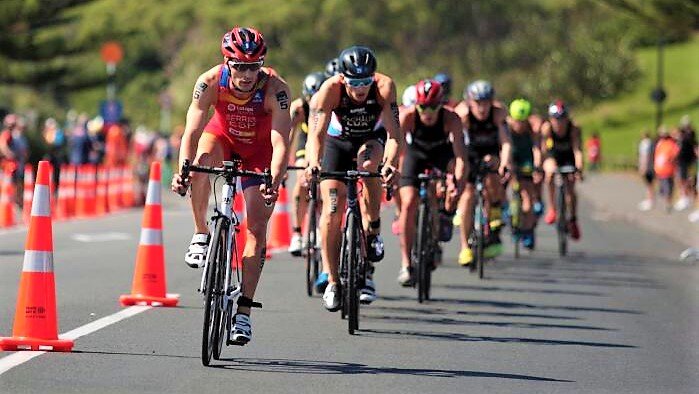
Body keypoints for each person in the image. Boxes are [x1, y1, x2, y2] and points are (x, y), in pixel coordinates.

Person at [171, 26, 291, 345]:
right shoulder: (209, 81)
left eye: (254, 65)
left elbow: (281, 143)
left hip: (259, 151)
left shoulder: (275, 89)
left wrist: (274, 179)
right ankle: (201, 233)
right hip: (222, 137)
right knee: (201, 161)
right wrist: (183, 168)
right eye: (240, 66)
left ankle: (243, 313)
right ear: (227, 63)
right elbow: (192, 130)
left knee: (256, 227)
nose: (247, 73)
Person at [304, 45, 401, 311]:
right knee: (332, 210)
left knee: (369, 166)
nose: (360, 88)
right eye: (355, 82)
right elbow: (317, 135)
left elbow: (394, 134)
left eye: (366, 81)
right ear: (342, 78)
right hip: (338, 142)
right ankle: (333, 281)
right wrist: (313, 163)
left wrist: (391, 163)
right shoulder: (330, 90)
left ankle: (373, 228)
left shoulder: (384, 87)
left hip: (371, 138)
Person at [396, 79, 466, 285]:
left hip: (441, 154)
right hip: (415, 155)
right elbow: (397, 150)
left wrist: (458, 183)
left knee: (454, 178)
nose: (428, 112)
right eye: (423, 106)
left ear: (441, 105)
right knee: (409, 203)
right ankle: (406, 263)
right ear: (416, 105)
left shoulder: (451, 118)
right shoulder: (407, 118)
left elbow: (461, 156)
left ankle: (445, 215)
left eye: (433, 107)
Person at [453, 80, 511, 266]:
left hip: (491, 152)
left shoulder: (498, 113)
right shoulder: (462, 114)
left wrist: (504, 163)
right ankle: (464, 247)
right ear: (470, 102)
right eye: (478, 102)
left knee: (494, 176)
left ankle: (494, 210)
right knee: (468, 196)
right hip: (470, 153)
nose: (482, 107)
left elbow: (506, 142)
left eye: (486, 102)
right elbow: (454, 142)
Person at [288, 71, 326, 256]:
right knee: (302, 180)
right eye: (310, 97)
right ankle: (297, 232)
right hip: (305, 144)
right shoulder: (299, 108)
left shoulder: (330, 105)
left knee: (323, 186)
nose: (313, 102)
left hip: (324, 144)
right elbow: (288, 136)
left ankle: (320, 227)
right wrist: (282, 164)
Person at [541, 100, 583, 240]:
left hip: (569, 157)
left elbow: (577, 151)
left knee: (571, 190)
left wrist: (579, 169)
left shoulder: (574, 129)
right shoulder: (547, 128)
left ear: (567, 118)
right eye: (555, 119)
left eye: (562, 119)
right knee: (549, 174)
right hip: (553, 156)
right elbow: (544, 150)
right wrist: (544, 164)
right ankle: (552, 208)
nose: (559, 123)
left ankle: (573, 219)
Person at [506, 99, 542, 249]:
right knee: (508, 191)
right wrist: (508, 166)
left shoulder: (532, 129)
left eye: (522, 121)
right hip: (512, 159)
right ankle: (510, 218)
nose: (519, 125)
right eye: (516, 121)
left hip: (527, 160)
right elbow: (504, 148)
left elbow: (536, 149)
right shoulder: (506, 127)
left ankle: (528, 230)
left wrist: (537, 166)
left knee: (528, 199)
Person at [653, 127, 680, 212]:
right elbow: (657, 156)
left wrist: (671, 160)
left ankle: (668, 203)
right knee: (663, 189)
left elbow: (675, 155)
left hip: (668, 170)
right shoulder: (660, 144)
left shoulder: (671, 144)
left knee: (668, 188)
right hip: (660, 170)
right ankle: (667, 201)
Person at [675, 116, 697, 211]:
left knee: (685, 180)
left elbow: (689, 146)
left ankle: (686, 198)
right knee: (682, 179)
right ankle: (684, 197)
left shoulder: (689, 135)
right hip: (682, 161)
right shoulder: (684, 135)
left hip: (686, 161)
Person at [637, 130, 655, 211]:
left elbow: (645, 156)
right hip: (650, 166)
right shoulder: (650, 143)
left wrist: (643, 167)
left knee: (649, 184)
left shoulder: (645, 144)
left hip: (647, 167)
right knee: (649, 184)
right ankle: (649, 199)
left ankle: (650, 200)